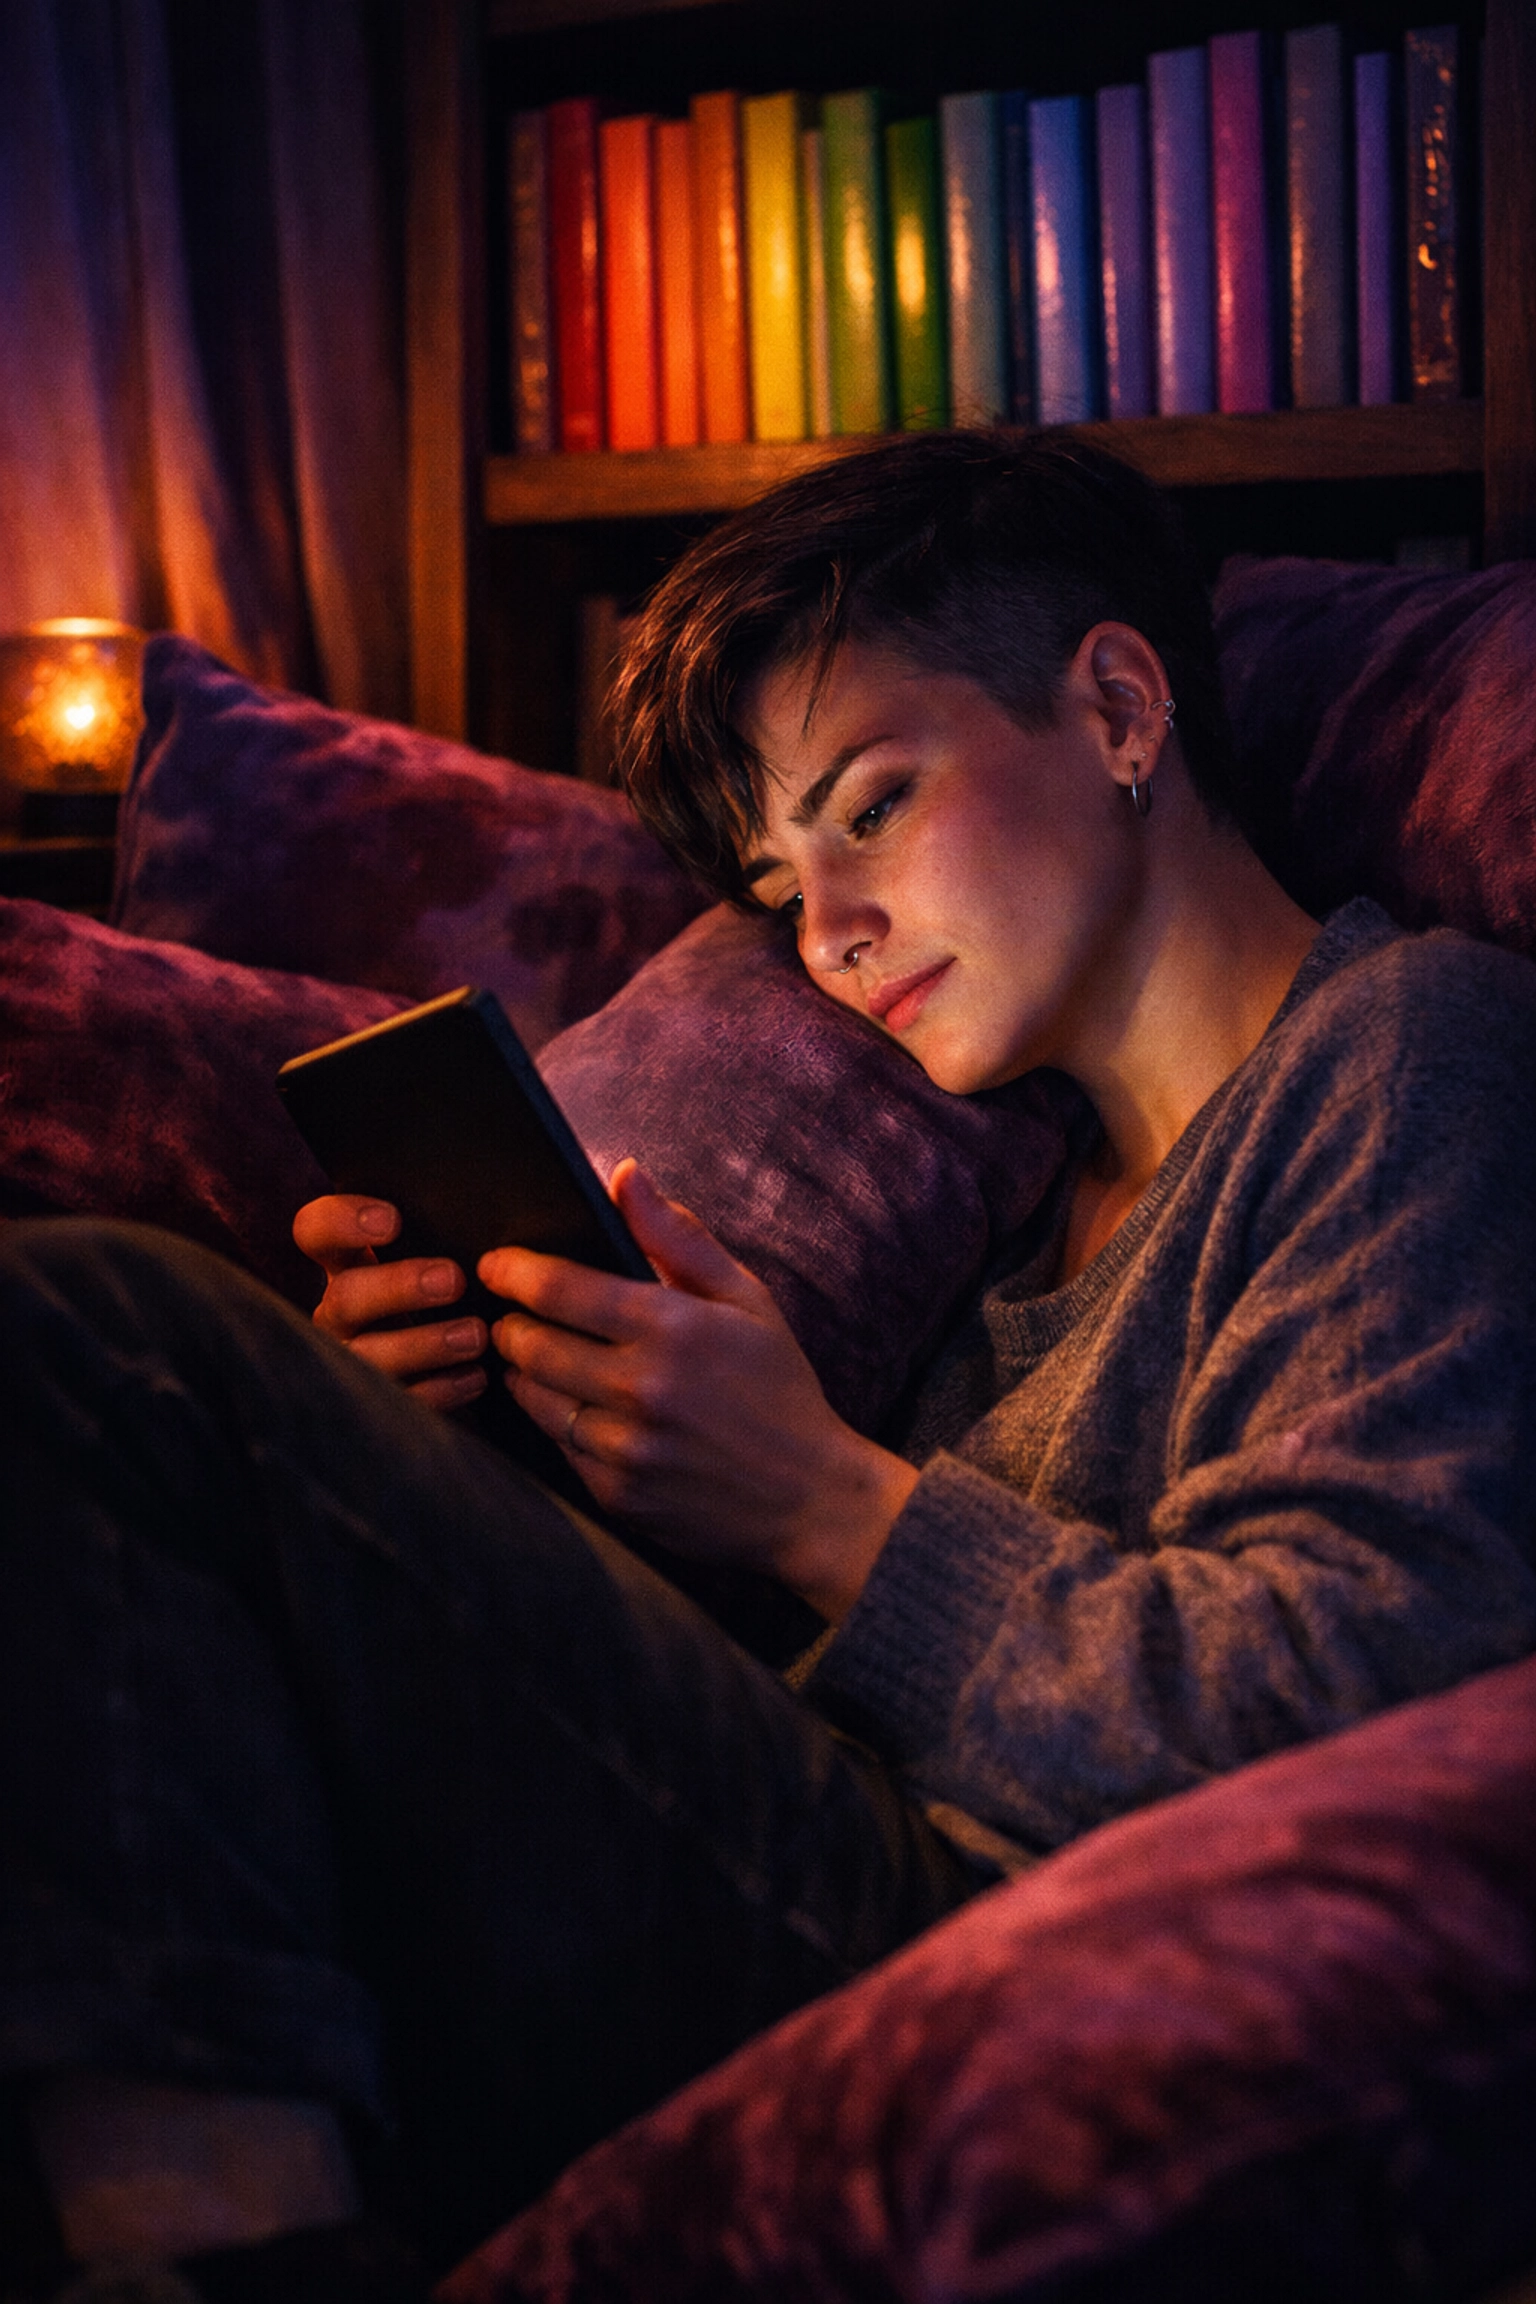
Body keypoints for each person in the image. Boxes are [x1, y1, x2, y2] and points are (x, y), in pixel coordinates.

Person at [5, 433, 1536, 2301]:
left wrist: (826, 1505)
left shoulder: (1411, 1057)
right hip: (800, 1875)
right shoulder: (979, 1214)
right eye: (776, 875)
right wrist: (498, 1448)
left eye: (873, 808)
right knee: (186, 1475)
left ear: (1120, 706)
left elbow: (1361, 1711)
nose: (827, 933)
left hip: (998, 1963)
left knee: (106, 1344)